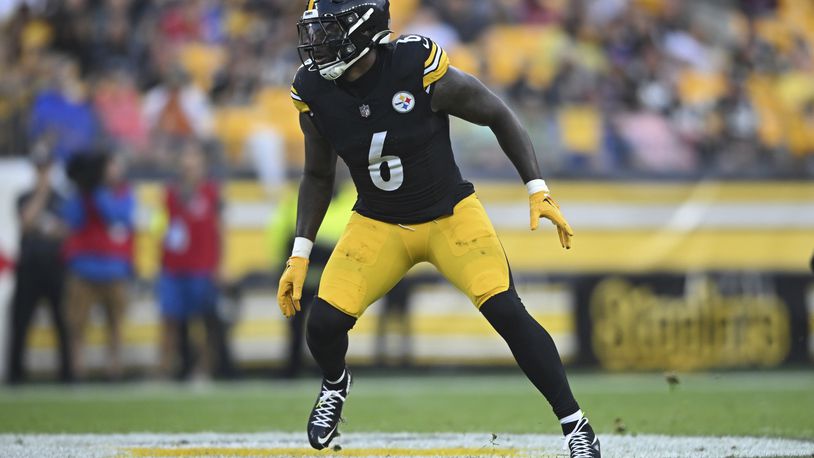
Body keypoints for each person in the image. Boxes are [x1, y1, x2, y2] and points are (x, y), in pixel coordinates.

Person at [276, 1, 600, 457]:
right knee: (324, 324)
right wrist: (300, 252)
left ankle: (575, 425)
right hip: (379, 222)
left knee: (507, 312)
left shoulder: (414, 65)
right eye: (315, 31)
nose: (317, 43)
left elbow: (497, 114)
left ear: (362, 27)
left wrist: (537, 187)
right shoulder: (312, 88)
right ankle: (335, 384)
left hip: (450, 215)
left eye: (327, 30)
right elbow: (317, 175)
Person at [156, 142, 233, 380]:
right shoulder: (170, 192)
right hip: (173, 267)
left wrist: (220, 265)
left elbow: (220, 230)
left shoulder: (212, 192)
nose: (189, 163)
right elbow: (162, 227)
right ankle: (166, 369)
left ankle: (204, 370)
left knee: (203, 322)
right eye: (186, 157)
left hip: (202, 267)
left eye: (194, 158)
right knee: (169, 321)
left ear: (203, 163)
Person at [63, 150, 135, 380]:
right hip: (84, 267)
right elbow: (73, 220)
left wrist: (98, 194)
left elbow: (117, 216)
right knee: (77, 324)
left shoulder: (123, 193)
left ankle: (113, 370)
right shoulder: (81, 194)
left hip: (114, 267)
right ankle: (78, 371)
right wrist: (86, 191)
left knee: (115, 324)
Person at [5, 147, 73, 384]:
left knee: (62, 322)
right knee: (21, 321)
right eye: (40, 168)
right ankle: (16, 374)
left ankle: (67, 375)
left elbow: (66, 230)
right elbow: (26, 222)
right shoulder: (24, 196)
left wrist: (49, 228)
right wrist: (42, 194)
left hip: (55, 266)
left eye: (47, 168)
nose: (44, 173)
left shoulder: (63, 198)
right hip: (29, 267)